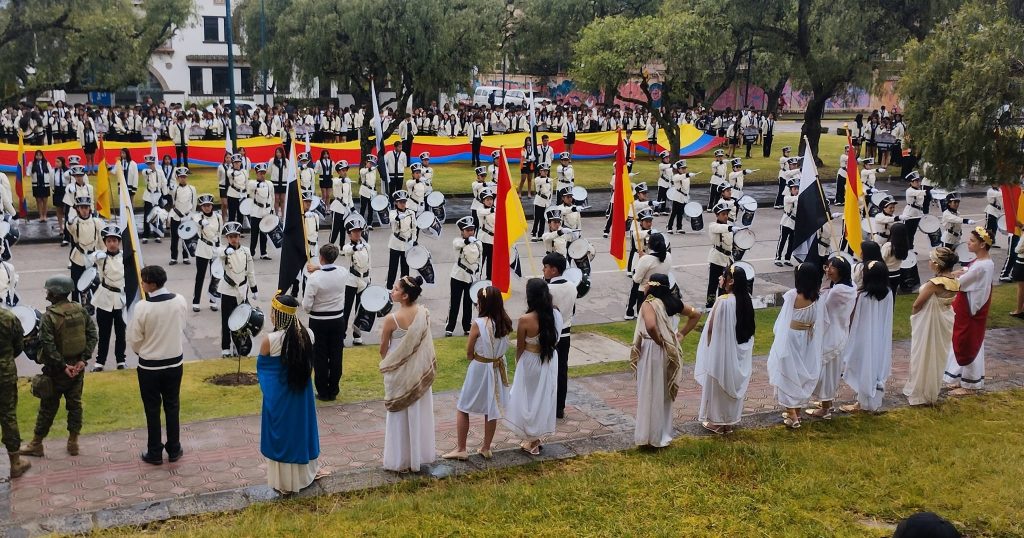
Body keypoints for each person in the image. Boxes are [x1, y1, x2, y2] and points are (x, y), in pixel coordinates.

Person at [19, 275, 98, 459]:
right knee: (75, 406)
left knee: (47, 408)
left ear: (55, 293)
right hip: (77, 369)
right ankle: (73, 442)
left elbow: (48, 346)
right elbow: (92, 335)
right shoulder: (80, 310)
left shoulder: (49, 317)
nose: (47, 293)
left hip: (56, 371)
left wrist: (63, 367)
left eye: (49, 290)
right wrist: (82, 360)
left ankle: (36, 444)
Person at [257, 294, 321, 493]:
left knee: (283, 433)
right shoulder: (309, 334)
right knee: (300, 429)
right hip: (302, 394)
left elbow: (264, 369)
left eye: (273, 312)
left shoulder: (270, 340)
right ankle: (304, 476)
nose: (271, 316)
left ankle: (284, 482)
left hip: (279, 396)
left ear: (279, 316)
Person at [443, 285, 512, 460]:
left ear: (483, 304)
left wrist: (476, 356)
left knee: (463, 406)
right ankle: (486, 447)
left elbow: (469, 352)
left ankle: (461, 448)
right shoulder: (505, 322)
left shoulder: (479, 324)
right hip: (497, 367)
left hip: (480, 367)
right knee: (491, 408)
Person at [127, 265, 188, 465]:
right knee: (172, 405)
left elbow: (135, 338)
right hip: (174, 363)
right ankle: (174, 448)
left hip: (150, 366)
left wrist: (144, 351)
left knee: (152, 409)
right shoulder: (180, 300)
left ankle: (154, 451)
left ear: (152, 284)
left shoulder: (142, 307)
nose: (142, 284)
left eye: (144, 281)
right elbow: (181, 326)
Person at [633, 273, 699, 445]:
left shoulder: (649, 303)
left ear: (652, 286)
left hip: (653, 350)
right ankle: (662, 434)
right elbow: (696, 314)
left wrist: (658, 340)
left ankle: (649, 437)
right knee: (663, 393)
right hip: (670, 350)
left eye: (647, 283)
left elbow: (651, 326)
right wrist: (681, 334)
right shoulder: (673, 302)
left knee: (649, 391)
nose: (645, 286)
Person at [379, 276, 436, 473]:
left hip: (399, 374)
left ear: (404, 296)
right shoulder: (424, 313)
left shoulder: (391, 319)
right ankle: (418, 457)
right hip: (419, 372)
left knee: (399, 416)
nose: (392, 291)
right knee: (418, 413)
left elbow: (383, 349)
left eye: (395, 289)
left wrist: (393, 363)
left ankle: (399, 460)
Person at [695, 264, 755, 433]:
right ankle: (728, 422)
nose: (720, 278)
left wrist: (709, 347)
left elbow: (711, 328)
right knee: (731, 385)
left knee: (719, 385)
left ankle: (716, 422)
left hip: (721, 352)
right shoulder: (746, 300)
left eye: (723, 276)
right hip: (739, 350)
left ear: (731, 281)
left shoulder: (723, 301)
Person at [504, 278, 561, 455]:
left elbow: (520, 347)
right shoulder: (555, 314)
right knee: (542, 398)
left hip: (530, 361)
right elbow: (556, 339)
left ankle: (533, 440)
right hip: (549, 360)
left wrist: (518, 364)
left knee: (527, 400)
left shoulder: (525, 320)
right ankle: (535, 437)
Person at [767, 263, 826, 428]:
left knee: (787, 371)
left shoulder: (792, 296)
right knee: (800, 372)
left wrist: (778, 339)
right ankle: (797, 411)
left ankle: (792, 414)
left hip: (792, 337)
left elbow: (782, 320)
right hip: (808, 338)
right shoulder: (818, 297)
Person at [904, 247, 959, 406]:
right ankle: (930, 388)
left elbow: (917, 304)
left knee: (922, 352)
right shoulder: (955, 281)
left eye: (931, 260)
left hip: (928, 321)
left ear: (936, 264)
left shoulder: (934, 284)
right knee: (937, 354)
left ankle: (920, 390)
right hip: (945, 318)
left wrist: (914, 317)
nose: (929, 262)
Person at [943, 227, 996, 395]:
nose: (968, 242)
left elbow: (960, 283)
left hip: (971, 309)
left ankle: (970, 383)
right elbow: (968, 272)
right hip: (969, 307)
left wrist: (947, 276)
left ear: (982, 244)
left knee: (969, 342)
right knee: (962, 341)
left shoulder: (982, 266)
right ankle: (960, 377)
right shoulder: (983, 262)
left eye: (972, 241)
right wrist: (961, 272)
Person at [840, 261, 894, 412]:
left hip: (863, 337)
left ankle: (862, 402)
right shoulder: (888, 293)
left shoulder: (862, 296)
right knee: (875, 365)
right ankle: (868, 400)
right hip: (880, 336)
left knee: (863, 365)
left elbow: (853, 318)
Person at [806, 256, 857, 419]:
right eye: (826, 267)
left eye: (831, 268)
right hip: (840, 331)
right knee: (829, 370)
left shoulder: (837, 291)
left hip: (831, 334)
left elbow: (823, 306)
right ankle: (825, 401)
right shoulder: (850, 286)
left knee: (827, 372)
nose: (827, 270)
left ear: (840, 271)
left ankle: (826, 408)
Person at [302, 244, 349, 401]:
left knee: (320, 356)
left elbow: (306, 305)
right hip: (337, 319)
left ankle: (322, 391)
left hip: (319, 320)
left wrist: (316, 269)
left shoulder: (314, 278)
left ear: (321, 258)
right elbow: (331, 269)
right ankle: (333, 389)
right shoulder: (342, 272)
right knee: (336, 354)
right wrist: (318, 268)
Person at [216, 222, 258, 357]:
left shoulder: (246, 251)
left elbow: (250, 271)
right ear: (227, 238)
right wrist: (226, 250)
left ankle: (238, 345)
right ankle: (225, 348)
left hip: (242, 290)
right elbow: (219, 253)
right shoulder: (224, 250)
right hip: (228, 290)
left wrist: (254, 288)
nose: (233, 239)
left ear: (239, 236)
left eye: (235, 236)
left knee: (240, 320)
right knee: (226, 320)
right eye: (230, 237)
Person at [543, 253, 576, 419]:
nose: (544, 270)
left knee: (547, 370)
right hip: (565, 333)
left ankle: (547, 405)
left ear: (554, 270)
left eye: (546, 267)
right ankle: (559, 407)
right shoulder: (572, 286)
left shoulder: (548, 289)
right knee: (562, 370)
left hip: (550, 334)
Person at [91, 225, 127, 371]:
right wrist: (97, 254)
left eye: (115, 240)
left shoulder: (125, 256)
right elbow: (91, 258)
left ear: (119, 242)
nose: (112, 244)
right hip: (104, 298)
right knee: (104, 333)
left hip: (121, 299)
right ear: (105, 242)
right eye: (109, 241)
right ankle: (100, 362)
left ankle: (121, 360)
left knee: (121, 333)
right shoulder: (101, 257)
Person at [0, 302, 28, 477]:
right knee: (8, 415)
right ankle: (15, 463)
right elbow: (19, 346)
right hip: (5, 373)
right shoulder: (8, 317)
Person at [446, 216, 482, 337]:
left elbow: (479, 260)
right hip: (458, 276)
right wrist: (468, 241)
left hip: (471, 277)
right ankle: (450, 327)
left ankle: (467, 326)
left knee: (468, 303)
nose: (471, 232)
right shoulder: (457, 241)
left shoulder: (478, 243)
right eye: (467, 230)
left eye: (472, 229)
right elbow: (458, 244)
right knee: (454, 303)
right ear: (462, 231)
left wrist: (478, 275)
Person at [66, 195, 103, 305]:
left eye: (86, 207)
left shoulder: (96, 222)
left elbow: (101, 240)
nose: (84, 210)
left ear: (90, 208)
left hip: (93, 256)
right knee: (75, 284)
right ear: (78, 209)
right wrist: (70, 221)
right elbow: (70, 227)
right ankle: (75, 306)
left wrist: (104, 253)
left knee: (94, 283)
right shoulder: (75, 222)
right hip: (79, 256)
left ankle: (93, 305)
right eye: (81, 208)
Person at [625, 232, 671, 320]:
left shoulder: (645, 260)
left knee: (644, 322)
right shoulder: (668, 256)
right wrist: (646, 257)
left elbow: (637, 279)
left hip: (645, 294)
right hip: (662, 293)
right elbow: (656, 260)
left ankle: (629, 311)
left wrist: (642, 260)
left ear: (650, 245)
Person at [339, 215, 370, 346]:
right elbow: (348, 250)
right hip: (352, 280)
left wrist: (369, 279)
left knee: (360, 309)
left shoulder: (367, 246)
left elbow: (369, 263)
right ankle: (341, 335)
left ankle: (357, 334)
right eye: (354, 231)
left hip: (364, 279)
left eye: (359, 231)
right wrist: (355, 247)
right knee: (346, 309)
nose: (357, 233)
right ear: (349, 234)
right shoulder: (347, 247)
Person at [191, 194, 224, 312]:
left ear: (212, 205)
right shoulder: (198, 216)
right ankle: (196, 302)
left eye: (209, 205)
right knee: (200, 276)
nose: (207, 208)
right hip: (203, 249)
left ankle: (213, 300)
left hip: (215, 248)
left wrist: (220, 248)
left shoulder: (218, 217)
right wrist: (201, 221)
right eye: (204, 206)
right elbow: (195, 219)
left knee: (215, 275)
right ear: (201, 207)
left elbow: (220, 232)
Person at [386, 190, 417, 289]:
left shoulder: (411, 213)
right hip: (396, 243)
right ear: (396, 202)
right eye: (400, 202)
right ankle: (389, 288)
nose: (403, 204)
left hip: (407, 244)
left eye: (404, 201)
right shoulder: (392, 213)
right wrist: (398, 217)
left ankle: (404, 288)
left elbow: (414, 227)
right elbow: (392, 219)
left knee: (405, 268)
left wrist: (414, 239)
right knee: (393, 268)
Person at [706, 202, 735, 308]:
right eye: (723, 214)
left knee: (726, 284)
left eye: (727, 214)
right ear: (717, 215)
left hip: (727, 259)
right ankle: (710, 305)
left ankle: (722, 304)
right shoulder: (713, 226)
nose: (726, 216)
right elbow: (719, 228)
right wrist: (731, 228)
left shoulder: (729, 226)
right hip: (716, 259)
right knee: (713, 284)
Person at [167, 167, 196, 266]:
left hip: (187, 216)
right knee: (174, 238)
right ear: (178, 178)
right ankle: (173, 257)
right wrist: (172, 179)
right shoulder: (174, 188)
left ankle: (185, 257)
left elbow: (194, 203)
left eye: (184, 177)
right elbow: (168, 191)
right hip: (176, 215)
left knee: (186, 237)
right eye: (180, 177)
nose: (183, 179)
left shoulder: (192, 189)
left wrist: (192, 215)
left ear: (186, 177)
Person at [247, 163, 274, 260]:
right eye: (260, 173)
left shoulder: (269, 184)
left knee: (264, 233)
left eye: (263, 173)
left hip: (266, 211)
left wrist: (272, 209)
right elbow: (250, 188)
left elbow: (272, 197)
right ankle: (251, 253)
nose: (262, 175)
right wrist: (259, 184)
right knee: (254, 234)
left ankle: (264, 253)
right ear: (256, 173)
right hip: (256, 211)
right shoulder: (252, 183)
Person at [329, 161, 354, 246]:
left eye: (345, 170)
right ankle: (330, 246)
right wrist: (343, 180)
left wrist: (352, 208)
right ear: (338, 172)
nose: (345, 172)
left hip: (345, 209)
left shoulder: (348, 181)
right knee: (335, 229)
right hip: (337, 208)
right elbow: (337, 182)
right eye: (342, 170)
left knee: (343, 229)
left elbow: (350, 195)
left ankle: (342, 247)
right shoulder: (336, 180)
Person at [775, 179, 799, 267]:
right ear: (790, 189)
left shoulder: (797, 198)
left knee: (791, 242)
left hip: (794, 223)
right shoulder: (787, 197)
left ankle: (787, 259)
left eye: (797, 188)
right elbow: (793, 199)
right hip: (786, 222)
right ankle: (777, 258)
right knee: (782, 240)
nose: (796, 190)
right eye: (794, 188)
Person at [531, 163, 553, 241]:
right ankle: (534, 234)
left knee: (543, 219)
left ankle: (540, 234)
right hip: (539, 201)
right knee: (537, 219)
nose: (545, 172)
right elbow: (542, 181)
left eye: (546, 170)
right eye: (543, 170)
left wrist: (549, 201)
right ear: (540, 171)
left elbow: (551, 191)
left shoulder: (549, 180)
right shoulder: (537, 179)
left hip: (546, 202)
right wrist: (548, 180)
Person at [30, 149, 53, 223]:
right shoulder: (32, 163)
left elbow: (51, 173)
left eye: (40, 155)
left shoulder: (47, 163)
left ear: (42, 156)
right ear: (35, 156)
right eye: (37, 155)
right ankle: (41, 216)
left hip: (45, 184)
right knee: (38, 201)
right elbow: (28, 173)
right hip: (36, 184)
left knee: (45, 201)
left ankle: (45, 216)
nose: (38, 156)